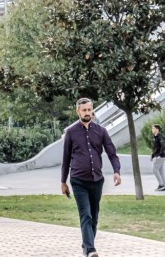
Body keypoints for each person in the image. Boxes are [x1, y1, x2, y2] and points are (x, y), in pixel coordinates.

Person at [60, 98, 122, 257]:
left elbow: (112, 153)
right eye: (84, 110)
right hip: (78, 180)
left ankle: (86, 245)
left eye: (89, 110)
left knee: (94, 217)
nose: (87, 113)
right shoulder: (71, 132)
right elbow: (66, 159)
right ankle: (90, 250)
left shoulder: (101, 131)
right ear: (78, 111)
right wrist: (63, 182)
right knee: (86, 214)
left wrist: (116, 171)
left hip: (97, 181)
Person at [150, 124, 165, 191]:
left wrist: (159, 155)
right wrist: (152, 155)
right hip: (159, 155)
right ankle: (164, 186)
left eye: (153, 128)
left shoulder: (160, 137)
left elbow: (163, 146)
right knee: (160, 171)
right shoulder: (155, 137)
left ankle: (161, 185)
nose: (152, 130)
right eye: (152, 128)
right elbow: (156, 148)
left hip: (160, 156)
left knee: (154, 170)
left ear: (157, 129)